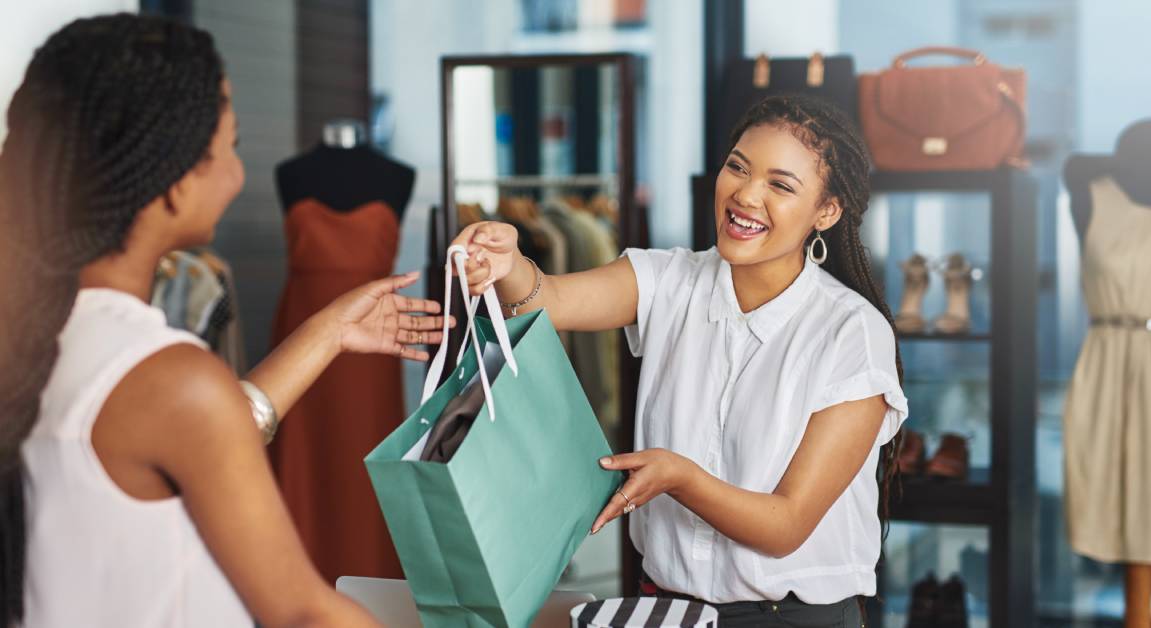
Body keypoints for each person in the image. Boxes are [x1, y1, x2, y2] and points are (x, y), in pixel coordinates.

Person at [0, 15, 451, 627]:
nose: (239, 174)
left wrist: (328, 332)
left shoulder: (38, 334)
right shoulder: (171, 379)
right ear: (172, 185)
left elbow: (185, 430)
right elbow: (303, 613)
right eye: (229, 148)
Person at [453, 94, 908, 627]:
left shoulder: (851, 332)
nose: (746, 195)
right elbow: (547, 299)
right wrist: (506, 262)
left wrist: (679, 477)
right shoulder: (668, 279)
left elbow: (786, 525)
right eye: (738, 167)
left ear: (826, 211)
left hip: (792, 618)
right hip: (666, 609)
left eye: (780, 186)